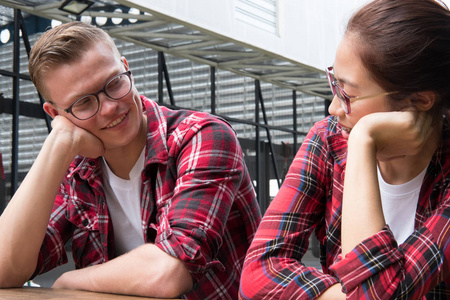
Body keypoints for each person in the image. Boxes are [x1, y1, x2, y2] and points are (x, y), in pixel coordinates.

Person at [0, 21, 261, 299]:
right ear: (57, 114)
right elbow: (6, 268)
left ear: (126, 68)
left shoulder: (201, 137)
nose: (111, 106)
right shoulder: (75, 172)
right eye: (84, 103)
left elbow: (169, 272)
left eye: (114, 83)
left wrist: (70, 280)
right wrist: (59, 143)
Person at [240, 0, 450, 299]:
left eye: (347, 93)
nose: (333, 107)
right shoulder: (328, 138)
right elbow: (257, 274)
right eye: (334, 83)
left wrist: (364, 140)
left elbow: (373, 294)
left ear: (419, 101)